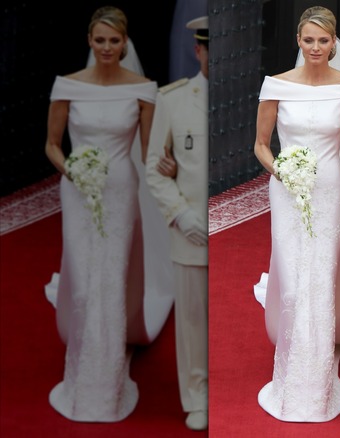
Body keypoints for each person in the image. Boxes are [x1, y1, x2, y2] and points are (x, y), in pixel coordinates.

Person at [252, 6, 340, 422]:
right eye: (309, 40)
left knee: (319, 281)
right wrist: (281, 169)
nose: (316, 47)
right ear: (298, 42)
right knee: (292, 283)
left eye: (323, 40)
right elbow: (262, 146)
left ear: (334, 42)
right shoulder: (276, 86)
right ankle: (289, 375)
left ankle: (314, 385)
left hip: (329, 193)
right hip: (286, 192)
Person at [44, 5, 161, 422]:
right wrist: (72, 169)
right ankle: (80, 378)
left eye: (114, 40)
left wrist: (171, 168)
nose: (107, 47)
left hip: (120, 193)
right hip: (77, 192)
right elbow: (53, 145)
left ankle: (107, 385)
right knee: (82, 281)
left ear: (125, 42)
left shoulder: (144, 88)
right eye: (100, 40)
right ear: (89, 41)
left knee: (111, 280)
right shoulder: (68, 86)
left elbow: (149, 153)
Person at [145, 15, 209, 430]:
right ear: (198, 50)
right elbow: (154, 167)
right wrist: (180, 214)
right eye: (207, 48)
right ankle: (197, 396)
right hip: (190, 230)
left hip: (229, 227)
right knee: (190, 319)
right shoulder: (172, 99)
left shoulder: (245, 98)